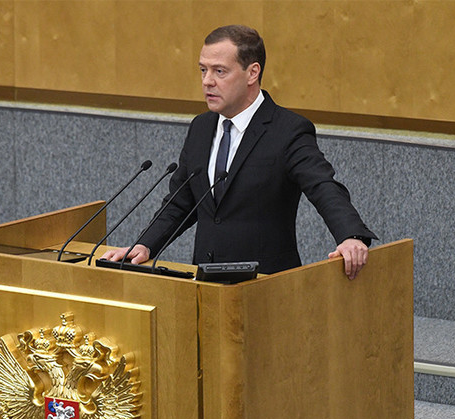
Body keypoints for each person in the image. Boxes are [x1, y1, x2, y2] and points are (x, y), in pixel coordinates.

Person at [101, 25, 376, 280]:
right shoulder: (201, 127)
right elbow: (181, 202)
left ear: (252, 73)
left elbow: (323, 187)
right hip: (205, 283)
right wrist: (145, 244)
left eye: (219, 71)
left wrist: (351, 235)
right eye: (202, 70)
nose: (207, 81)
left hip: (265, 286)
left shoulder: (288, 131)